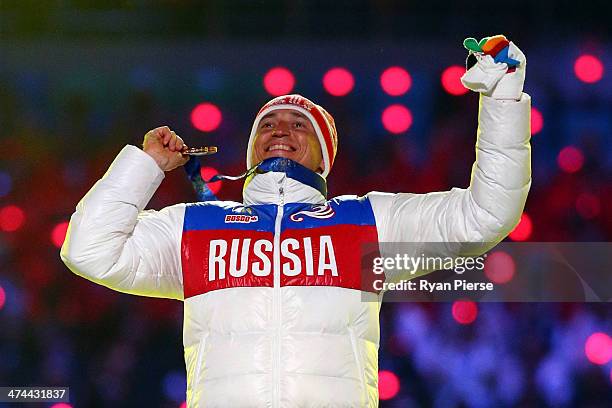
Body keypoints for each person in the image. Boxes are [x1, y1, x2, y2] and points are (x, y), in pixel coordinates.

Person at [61, 37, 531, 407]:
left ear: (324, 154)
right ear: (250, 150)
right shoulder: (196, 226)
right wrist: (145, 166)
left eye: (298, 124)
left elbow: (485, 215)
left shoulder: (368, 220)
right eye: (267, 125)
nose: (280, 130)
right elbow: (88, 249)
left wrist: (503, 97)